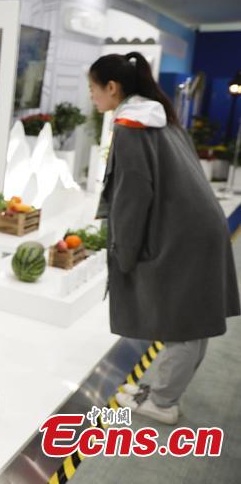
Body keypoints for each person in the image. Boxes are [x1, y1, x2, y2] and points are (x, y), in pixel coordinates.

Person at [89, 52, 240, 424]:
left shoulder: (131, 127)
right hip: (196, 227)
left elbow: (132, 195)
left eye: (93, 89)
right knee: (191, 319)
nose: (92, 97)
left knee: (182, 323)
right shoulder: (160, 116)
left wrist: (122, 253)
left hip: (183, 234)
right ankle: (161, 391)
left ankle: (163, 402)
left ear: (112, 87)